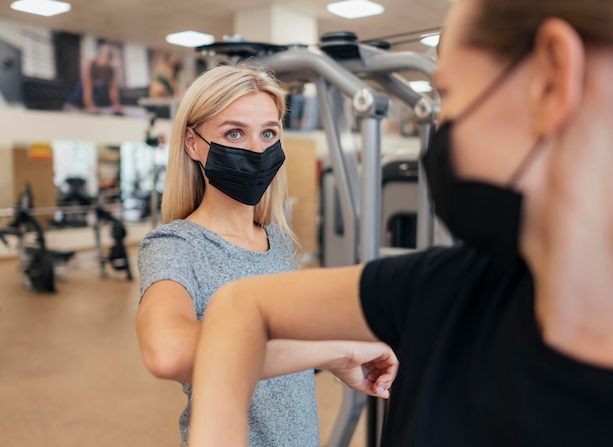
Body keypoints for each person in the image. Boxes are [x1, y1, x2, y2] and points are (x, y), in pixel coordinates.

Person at [187, 0, 613, 445]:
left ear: (550, 81)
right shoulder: (449, 289)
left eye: (448, 93)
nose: (438, 123)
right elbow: (239, 308)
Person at [136, 64, 398, 447]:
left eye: (269, 133)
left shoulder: (275, 238)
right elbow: (167, 351)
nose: (257, 150)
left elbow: (288, 341)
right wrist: (332, 353)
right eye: (234, 132)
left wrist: (343, 349)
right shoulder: (177, 245)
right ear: (192, 143)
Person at [63, 42, 124, 115]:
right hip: (86, 85)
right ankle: (71, 104)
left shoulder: (111, 69)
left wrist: (117, 106)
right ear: (101, 56)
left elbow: (113, 90)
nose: (106, 66)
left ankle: (88, 106)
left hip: (96, 86)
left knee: (96, 94)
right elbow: (87, 88)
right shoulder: (90, 64)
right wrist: (90, 106)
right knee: (80, 91)